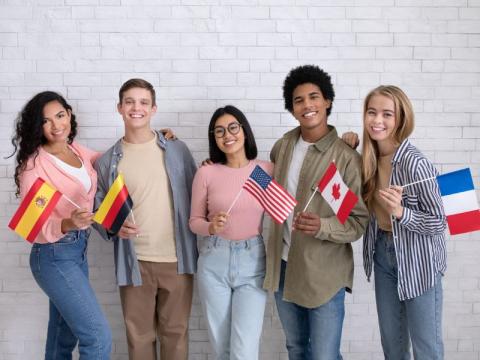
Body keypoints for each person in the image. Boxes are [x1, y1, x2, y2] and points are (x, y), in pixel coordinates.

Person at [262, 65, 370, 360]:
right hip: (283, 267)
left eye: (314, 97)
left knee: (323, 355)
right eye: (299, 100)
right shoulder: (282, 147)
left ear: (327, 101)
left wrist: (322, 225)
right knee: (296, 349)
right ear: (292, 108)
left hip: (324, 275)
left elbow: (357, 223)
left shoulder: (345, 158)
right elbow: (252, 172)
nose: (307, 105)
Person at [94, 78, 197, 360]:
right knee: (139, 339)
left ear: (153, 109)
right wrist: (112, 226)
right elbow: (98, 210)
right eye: (129, 101)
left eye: (143, 102)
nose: (136, 108)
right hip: (134, 263)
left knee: (176, 335)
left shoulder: (177, 150)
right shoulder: (107, 162)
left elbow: (198, 193)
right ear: (119, 107)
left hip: (177, 260)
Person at [10, 91, 112, 359]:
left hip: (77, 252)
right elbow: (32, 225)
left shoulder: (75, 149)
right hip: (53, 256)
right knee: (98, 338)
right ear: (37, 126)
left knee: (62, 338)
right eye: (46, 121)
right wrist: (68, 222)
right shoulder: (34, 167)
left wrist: (154, 140)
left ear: (69, 114)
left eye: (60, 115)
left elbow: (108, 160)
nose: (56, 125)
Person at [360, 85, 446, 359]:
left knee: (426, 349)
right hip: (383, 258)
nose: (377, 120)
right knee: (393, 348)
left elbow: (438, 222)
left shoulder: (415, 163)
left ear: (401, 119)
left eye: (387, 114)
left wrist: (401, 212)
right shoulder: (368, 159)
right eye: (372, 112)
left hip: (419, 262)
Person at [189, 105, 273, 360]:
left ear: (244, 131)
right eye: (219, 131)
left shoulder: (265, 171)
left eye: (233, 127)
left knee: (244, 348)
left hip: (253, 261)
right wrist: (210, 227)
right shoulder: (206, 172)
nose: (227, 135)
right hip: (215, 260)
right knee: (221, 346)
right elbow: (194, 221)